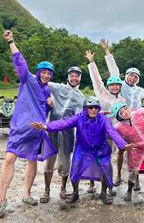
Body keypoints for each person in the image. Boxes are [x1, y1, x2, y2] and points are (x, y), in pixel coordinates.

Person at [0, 30, 56, 218]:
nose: (45, 75)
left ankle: (26, 194)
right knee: (9, 160)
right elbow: (19, 62)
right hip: (20, 127)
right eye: (43, 72)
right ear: (37, 73)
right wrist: (11, 41)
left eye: (48, 73)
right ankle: (1, 199)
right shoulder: (28, 79)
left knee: (32, 162)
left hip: (36, 131)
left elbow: (43, 111)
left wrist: (50, 105)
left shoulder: (47, 91)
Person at [30, 101, 134, 205]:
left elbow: (112, 132)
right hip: (82, 149)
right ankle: (75, 193)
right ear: (85, 108)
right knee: (75, 168)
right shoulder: (79, 118)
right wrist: (46, 127)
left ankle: (103, 193)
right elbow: (64, 123)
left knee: (105, 168)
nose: (93, 109)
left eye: (96, 107)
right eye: (90, 107)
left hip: (100, 150)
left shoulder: (103, 119)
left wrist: (123, 144)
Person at [100, 38, 144, 187]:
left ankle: (136, 179)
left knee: (135, 151)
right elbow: (113, 70)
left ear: (137, 79)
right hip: (121, 123)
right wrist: (107, 51)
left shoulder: (140, 91)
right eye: (130, 75)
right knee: (121, 151)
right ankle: (119, 175)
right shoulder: (121, 86)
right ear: (126, 76)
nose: (132, 78)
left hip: (135, 124)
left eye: (135, 76)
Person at [40, 66, 85, 203]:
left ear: (79, 78)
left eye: (77, 76)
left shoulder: (81, 97)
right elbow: (41, 83)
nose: (74, 78)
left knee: (65, 162)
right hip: (52, 128)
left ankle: (63, 188)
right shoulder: (57, 87)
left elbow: (83, 115)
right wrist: (47, 96)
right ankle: (46, 190)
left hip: (68, 132)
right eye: (72, 75)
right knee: (50, 160)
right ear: (68, 77)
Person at [109, 102, 144, 208]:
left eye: (126, 109)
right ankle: (129, 191)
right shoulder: (118, 127)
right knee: (133, 173)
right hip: (135, 151)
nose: (125, 112)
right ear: (119, 117)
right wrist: (125, 145)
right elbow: (116, 138)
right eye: (122, 112)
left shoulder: (139, 113)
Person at [85, 49, 127, 195]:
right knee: (101, 158)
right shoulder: (103, 95)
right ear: (108, 86)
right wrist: (91, 62)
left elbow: (125, 117)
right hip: (101, 132)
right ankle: (94, 182)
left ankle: (109, 183)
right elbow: (97, 80)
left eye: (117, 85)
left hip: (116, 132)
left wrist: (108, 52)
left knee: (111, 158)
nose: (114, 87)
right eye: (112, 85)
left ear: (120, 87)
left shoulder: (122, 100)